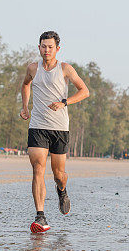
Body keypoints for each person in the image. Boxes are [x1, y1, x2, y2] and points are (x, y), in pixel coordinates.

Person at [20, 30, 90, 233]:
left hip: (59, 128)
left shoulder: (65, 69)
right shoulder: (33, 68)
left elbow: (84, 91)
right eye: (43, 46)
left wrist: (64, 102)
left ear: (57, 49)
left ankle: (62, 190)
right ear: (39, 47)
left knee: (58, 174)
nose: (46, 50)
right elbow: (25, 85)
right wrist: (25, 106)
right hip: (37, 126)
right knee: (38, 168)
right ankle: (40, 216)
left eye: (50, 47)